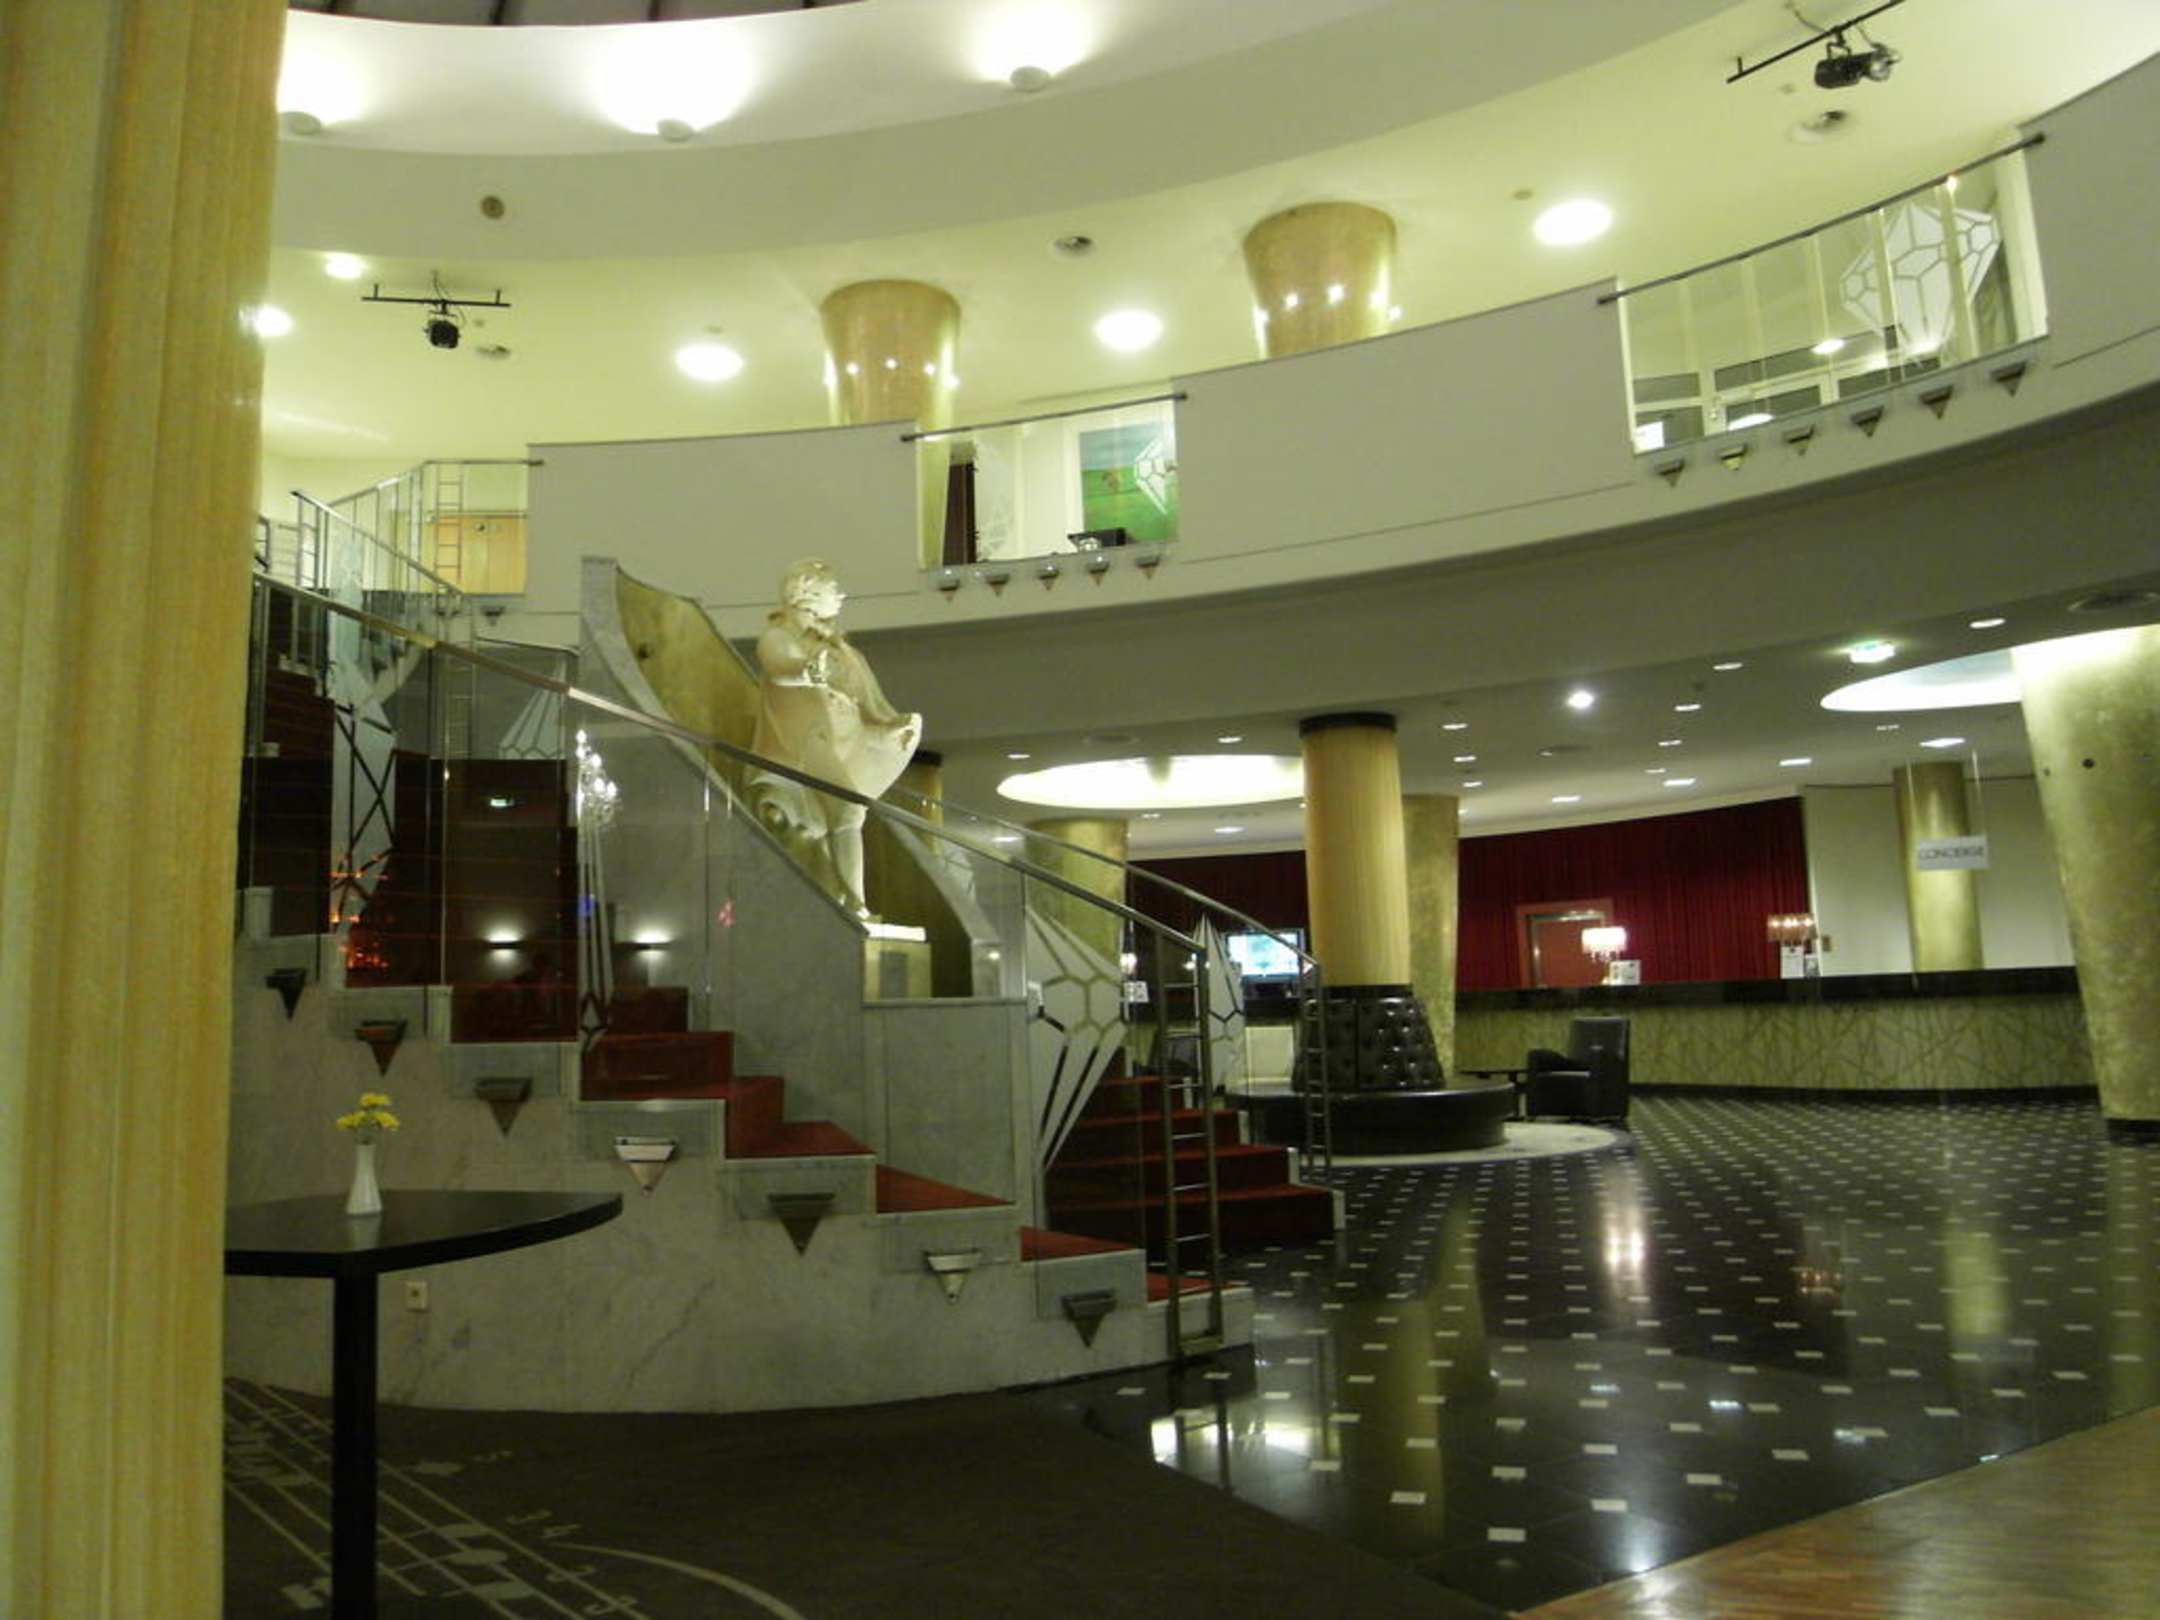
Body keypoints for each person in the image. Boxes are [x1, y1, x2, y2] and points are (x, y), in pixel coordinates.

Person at [749, 559, 921, 914]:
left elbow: (860, 712)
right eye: (832, 590)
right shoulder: (780, 636)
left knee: (841, 817)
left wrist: (890, 728)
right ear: (806, 594)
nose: (841, 597)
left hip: (834, 746)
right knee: (847, 810)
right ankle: (853, 904)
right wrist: (807, 670)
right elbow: (779, 667)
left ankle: (842, 901)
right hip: (801, 746)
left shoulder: (844, 651)